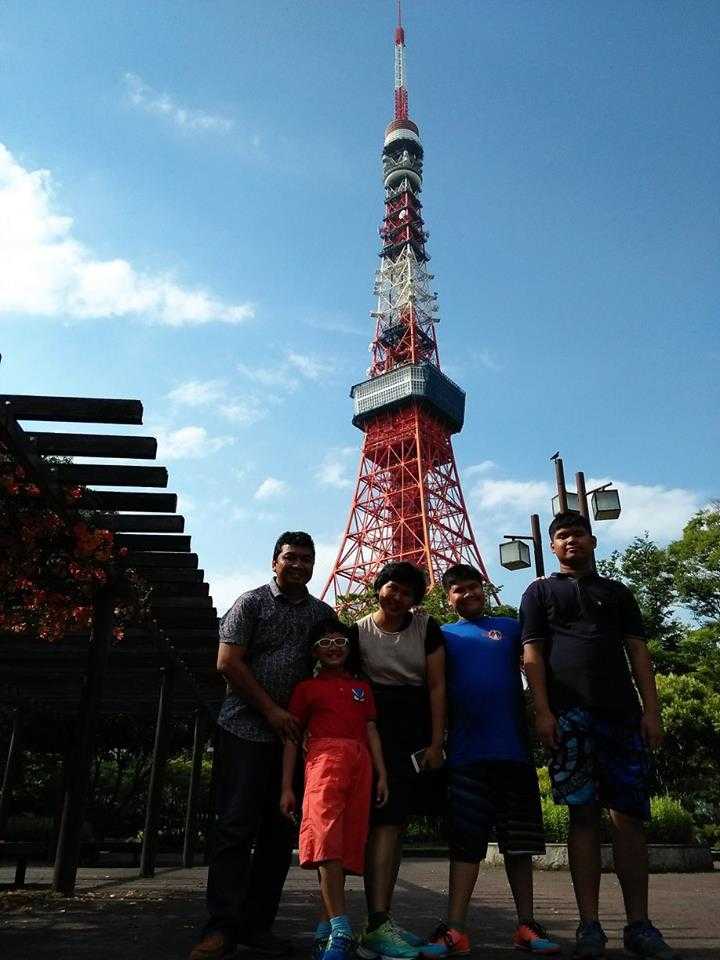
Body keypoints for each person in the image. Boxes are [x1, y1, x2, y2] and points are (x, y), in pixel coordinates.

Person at [520, 511, 679, 960]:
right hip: (568, 716)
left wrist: (652, 712)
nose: (571, 541)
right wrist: (544, 711)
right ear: (552, 547)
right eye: (562, 536)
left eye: (578, 534)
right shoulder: (539, 591)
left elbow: (638, 653)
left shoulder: (617, 592)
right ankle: (589, 924)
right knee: (582, 817)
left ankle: (639, 924)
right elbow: (531, 654)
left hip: (621, 714)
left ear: (592, 540)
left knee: (629, 817)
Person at [190, 532, 336, 960]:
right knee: (235, 827)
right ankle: (220, 927)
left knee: (278, 834)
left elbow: (337, 660)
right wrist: (271, 709)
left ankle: (257, 926)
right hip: (244, 730)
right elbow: (227, 662)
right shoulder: (250, 603)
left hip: (292, 740)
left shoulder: (321, 614)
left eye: (306, 559)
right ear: (275, 561)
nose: (298, 565)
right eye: (290, 557)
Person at [425, 563, 559, 957]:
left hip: (513, 751)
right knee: (465, 844)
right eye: (458, 591)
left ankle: (526, 924)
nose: (467, 595)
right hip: (466, 754)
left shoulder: (511, 626)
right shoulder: (442, 635)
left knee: (519, 844)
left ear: (483, 589)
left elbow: (539, 660)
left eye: (473, 588)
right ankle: (455, 928)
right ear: (446, 597)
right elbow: (430, 686)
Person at [350, 561, 447, 960]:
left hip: (414, 728)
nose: (398, 597)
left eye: (407, 592)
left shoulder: (427, 628)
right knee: (384, 824)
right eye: (392, 588)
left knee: (397, 823)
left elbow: (438, 686)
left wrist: (437, 741)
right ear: (378, 587)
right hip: (373, 726)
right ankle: (372, 923)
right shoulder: (355, 631)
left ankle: (381, 920)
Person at [280, 618, 389, 960]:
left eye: (339, 642)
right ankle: (342, 929)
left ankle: (325, 928)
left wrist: (382, 774)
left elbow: (371, 731)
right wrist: (286, 785)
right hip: (324, 760)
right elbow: (292, 737)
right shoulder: (306, 688)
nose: (333, 648)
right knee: (326, 840)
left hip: (361, 763)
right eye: (324, 643)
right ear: (313, 651)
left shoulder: (362, 688)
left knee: (344, 845)